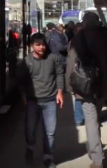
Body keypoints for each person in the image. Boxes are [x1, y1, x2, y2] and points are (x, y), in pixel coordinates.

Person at [66, 12, 107, 168]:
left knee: (91, 120)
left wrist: (70, 87)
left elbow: (71, 64)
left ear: (84, 22)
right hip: (103, 85)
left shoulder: (78, 38)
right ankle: (94, 150)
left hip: (84, 86)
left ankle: (97, 158)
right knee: (94, 120)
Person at [17, 33, 65, 168]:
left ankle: (48, 156)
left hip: (50, 100)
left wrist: (60, 91)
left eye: (43, 44)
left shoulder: (53, 58)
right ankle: (30, 149)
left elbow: (59, 74)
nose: (41, 47)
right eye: (37, 45)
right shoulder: (26, 62)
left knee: (50, 131)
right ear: (31, 46)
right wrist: (24, 97)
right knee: (31, 129)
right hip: (33, 101)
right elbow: (20, 81)